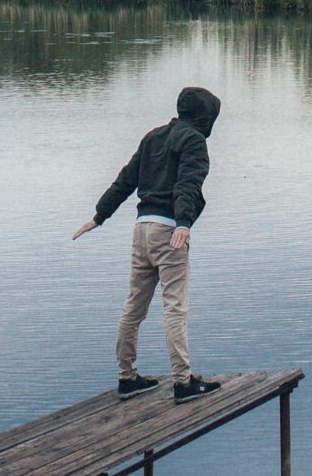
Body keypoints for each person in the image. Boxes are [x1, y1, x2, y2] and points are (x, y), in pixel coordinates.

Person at [72, 86, 222, 401]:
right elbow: (187, 183)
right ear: (204, 116)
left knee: (134, 307)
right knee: (175, 309)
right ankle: (183, 383)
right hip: (169, 231)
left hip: (141, 230)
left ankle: (127, 378)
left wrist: (100, 215)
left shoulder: (154, 136)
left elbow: (126, 179)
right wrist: (183, 222)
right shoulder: (193, 140)